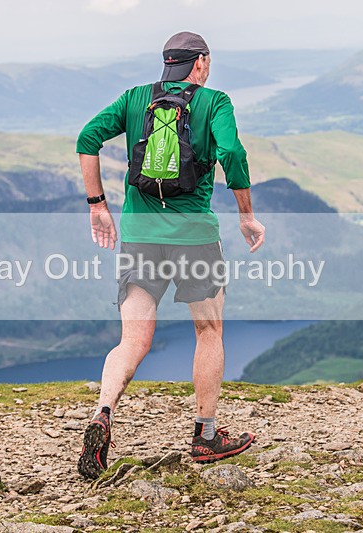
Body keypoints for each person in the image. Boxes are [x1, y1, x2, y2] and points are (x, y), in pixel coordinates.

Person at [76, 31, 266, 479]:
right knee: (208, 329)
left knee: (133, 341)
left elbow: (87, 139)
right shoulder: (214, 102)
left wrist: (97, 205)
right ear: (199, 63)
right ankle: (205, 435)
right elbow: (233, 153)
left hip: (140, 235)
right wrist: (246, 215)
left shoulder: (136, 98)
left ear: (167, 64)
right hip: (193, 236)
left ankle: (103, 413)